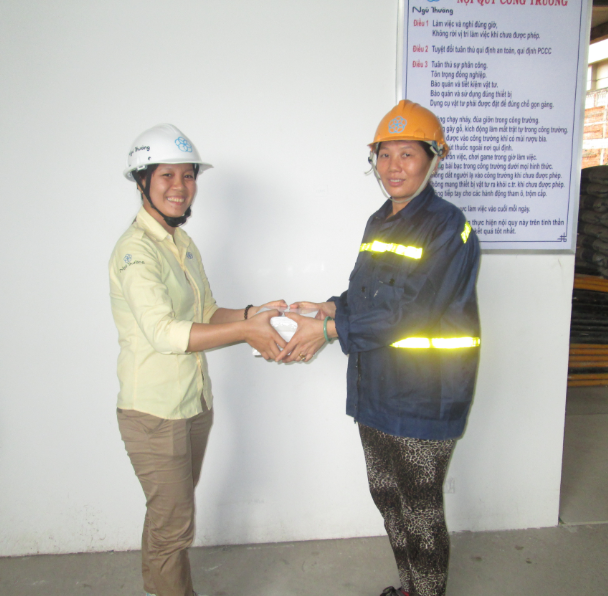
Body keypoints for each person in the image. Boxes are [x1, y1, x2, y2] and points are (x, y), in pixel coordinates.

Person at [277, 100, 481, 596]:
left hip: (425, 395)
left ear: (434, 158)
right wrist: (332, 307)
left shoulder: (448, 227)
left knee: (421, 510)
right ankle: (409, 588)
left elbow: (412, 310)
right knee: (388, 497)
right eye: (384, 154)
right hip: (377, 389)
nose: (393, 166)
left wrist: (328, 332)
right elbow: (370, 292)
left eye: (407, 154)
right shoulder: (379, 220)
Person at [109, 124, 287, 596]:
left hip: (192, 404)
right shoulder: (135, 252)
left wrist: (252, 315)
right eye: (167, 175)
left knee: (169, 516)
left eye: (188, 175)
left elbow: (206, 313)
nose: (180, 186)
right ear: (143, 181)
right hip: (154, 413)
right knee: (174, 526)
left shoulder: (182, 244)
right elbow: (165, 333)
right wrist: (247, 331)